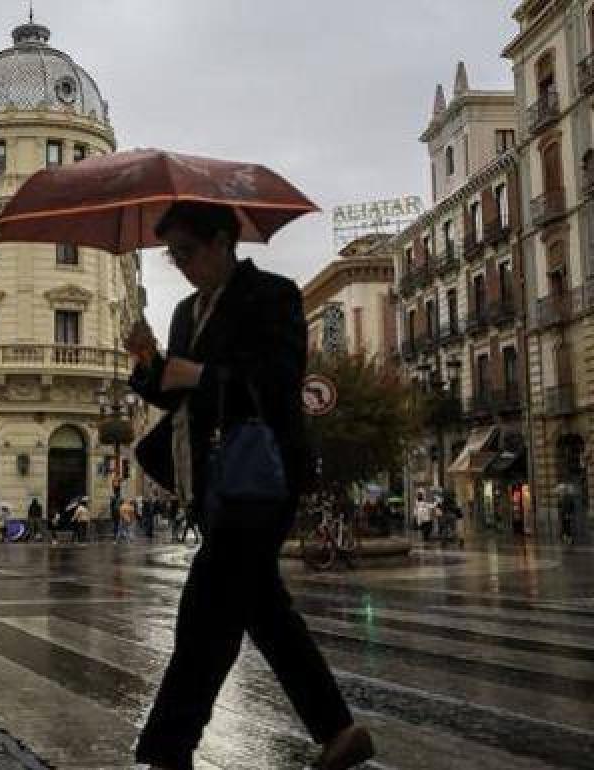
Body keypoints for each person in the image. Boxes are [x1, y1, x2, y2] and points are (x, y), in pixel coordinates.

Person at [127, 202, 372, 770]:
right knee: (263, 610)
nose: (182, 265)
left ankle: (168, 747)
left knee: (205, 608)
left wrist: (203, 375)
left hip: (261, 476)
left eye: (187, 251)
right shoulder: (187, 312)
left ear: (220, 242)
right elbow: (174, 395)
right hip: (212, 478)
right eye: (174, 256)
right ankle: (338, 730)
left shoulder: (275, 296)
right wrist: (147, 361)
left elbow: (279, 383)